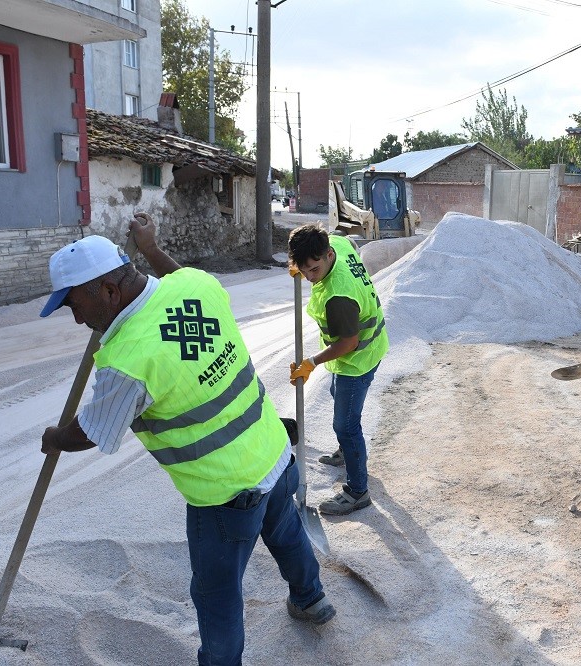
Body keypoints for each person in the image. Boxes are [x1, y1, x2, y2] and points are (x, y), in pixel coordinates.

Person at [39, 214, 334, 666]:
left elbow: (93, 431)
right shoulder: (194, 284)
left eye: (73, 304)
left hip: (223, 494)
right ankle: (311, 600)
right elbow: (173, 277)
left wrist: (57, 436)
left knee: (216, 595)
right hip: (273, 449)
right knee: (287, 534)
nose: (75, 317)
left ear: (110, 292)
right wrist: (152, 249)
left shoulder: (127, 360)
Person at [288, 223, 388, 516]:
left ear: (328, 255)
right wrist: (299, 263)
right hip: (363, 348)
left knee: (345, 425)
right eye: (303, 270)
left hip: (358, 359)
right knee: (337, 396)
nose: (309, 277)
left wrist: (311, 363)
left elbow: (348, 343)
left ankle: (358, 491)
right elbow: (344, 242)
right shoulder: (336, 244)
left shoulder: (339, 296)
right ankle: (348, 452)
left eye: (314, 270)